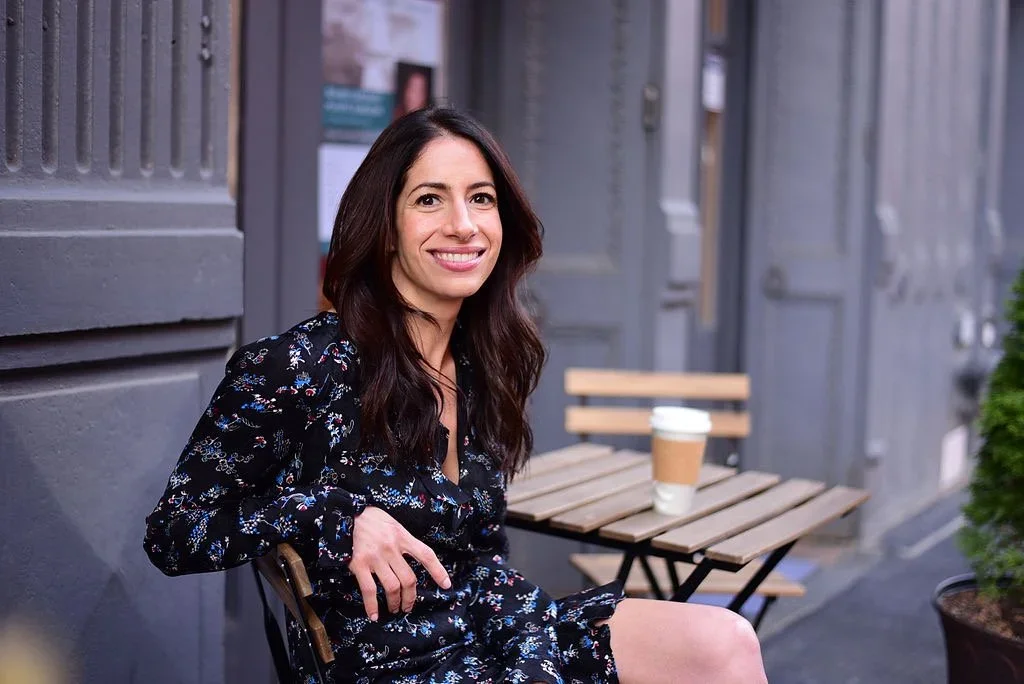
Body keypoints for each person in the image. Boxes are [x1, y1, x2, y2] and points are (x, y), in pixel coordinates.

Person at [143, 107, 768, 684]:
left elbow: (478, 552)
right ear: (385, 226)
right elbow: (176, 533)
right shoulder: (300, 364)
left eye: (481, 199)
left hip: (501, 629)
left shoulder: (479, 357)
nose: (463, 225)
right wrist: (339, 518)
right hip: (400, 664)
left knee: (727, 641)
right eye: (429, 200)